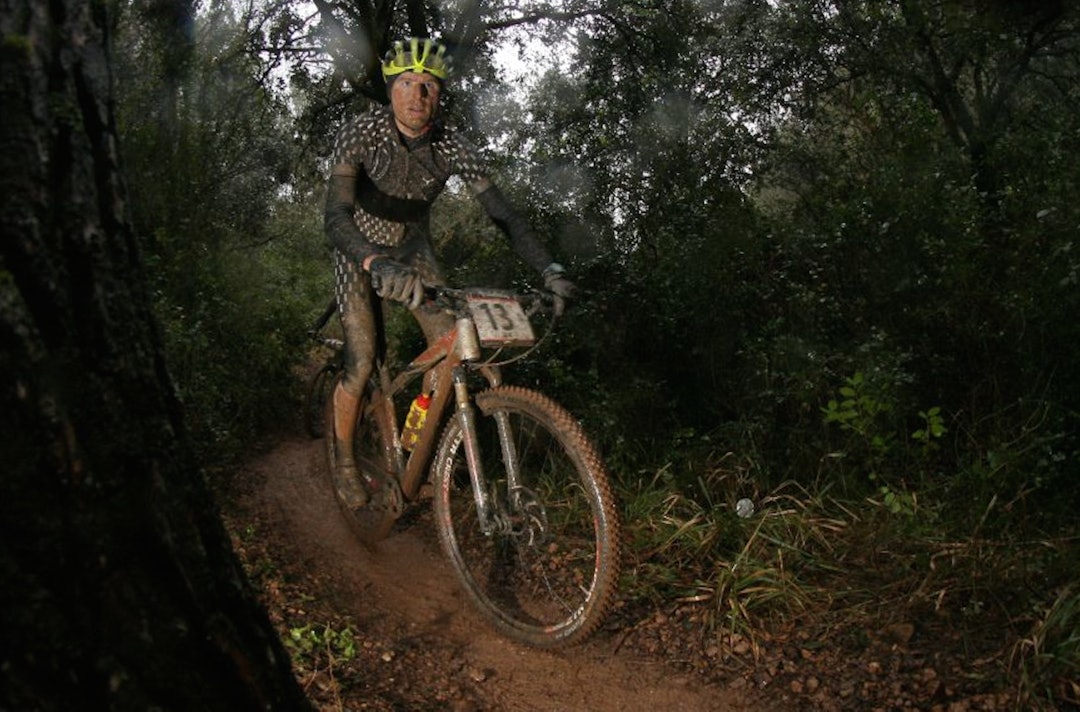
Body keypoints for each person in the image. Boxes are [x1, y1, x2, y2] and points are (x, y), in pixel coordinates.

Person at [323, 37, 576, 508]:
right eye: (406, 84)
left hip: (414, 250)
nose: (417, 96)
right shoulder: (360, 131)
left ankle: (415, 444)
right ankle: (342, 460)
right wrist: (372, 260)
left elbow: (505, 216)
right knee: (362, 357)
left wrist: (549, 267)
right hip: (359, 250)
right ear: (390, 90)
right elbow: (336, 216)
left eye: (428, 86)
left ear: (439, 94)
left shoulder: (453, 145)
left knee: (449, 356)